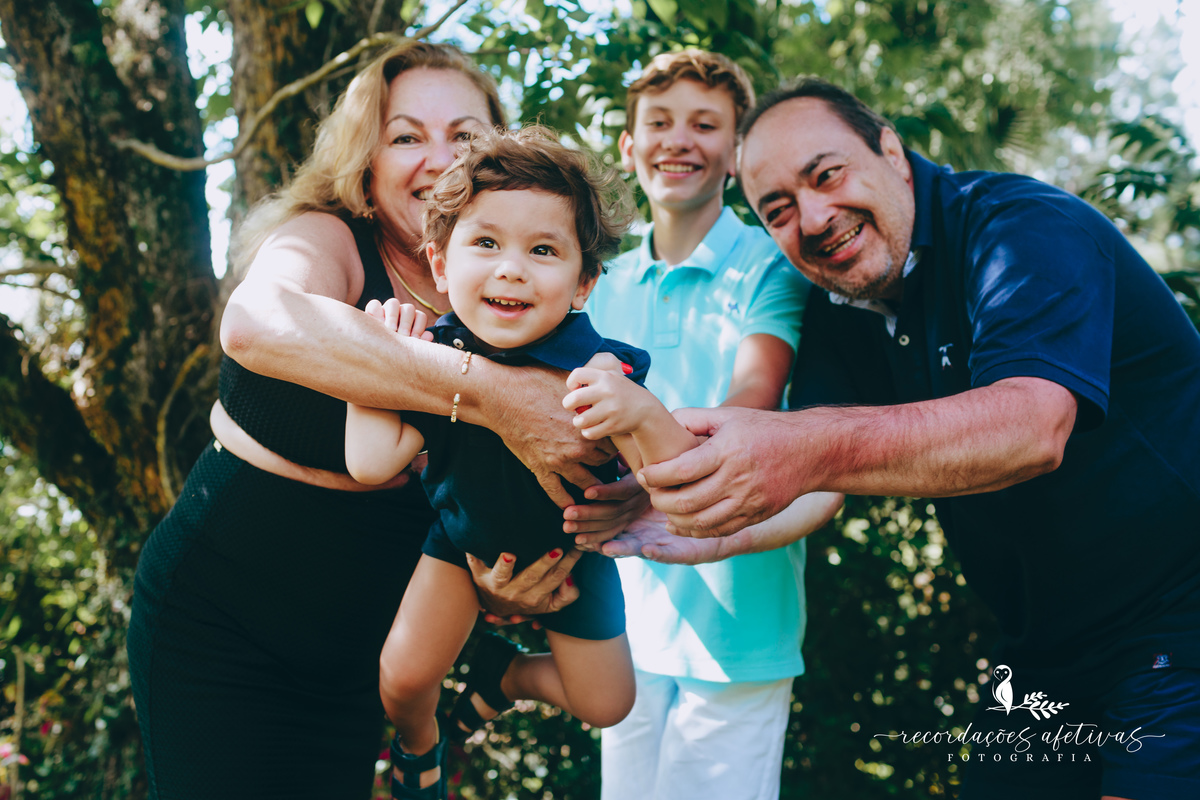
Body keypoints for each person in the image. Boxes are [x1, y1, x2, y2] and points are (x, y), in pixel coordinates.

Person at [638, 76, 1200, 799]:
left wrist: (804, 447)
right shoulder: (843, 302)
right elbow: (814, 484)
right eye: (778, 210)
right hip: (1045, 653)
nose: (814, 217)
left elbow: (1032, 427)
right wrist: (706, 527)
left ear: (892, 153)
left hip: (1179, 615)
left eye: (826, 175)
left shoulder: (1022, 227)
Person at [127, 43, 629, 800]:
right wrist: (488, 393)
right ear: (366, 163)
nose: (438, 158)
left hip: (363, 653)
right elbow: (256, 324)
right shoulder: (328, 238)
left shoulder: (518, 295)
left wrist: (506, 585)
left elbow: (495, 493)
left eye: (464, 136)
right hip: (225, 627)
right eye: (406, 136)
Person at [346, 126, 704, 799]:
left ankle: (506, 677)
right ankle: (419, 745)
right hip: (460, 545)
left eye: (543, 250)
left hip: (573, 555)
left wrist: (636, 412)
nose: (511, 268)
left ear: (583, 283)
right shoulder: (437, 355)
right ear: (440, 264)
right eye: (486, 243)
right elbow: (369, 463)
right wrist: (380, 363)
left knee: (608, 705)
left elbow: (669, 483)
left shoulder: (600, 367)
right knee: (402, 679)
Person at [577, 51, 842, 800]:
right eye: (659, 122)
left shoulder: (771, 264)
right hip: (626, 614)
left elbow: (749, 404)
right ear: (629, 145)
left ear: (735, 151)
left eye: (704, 124)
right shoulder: (603, 281)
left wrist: (640, 443)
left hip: (737, 624)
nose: (678, 140)